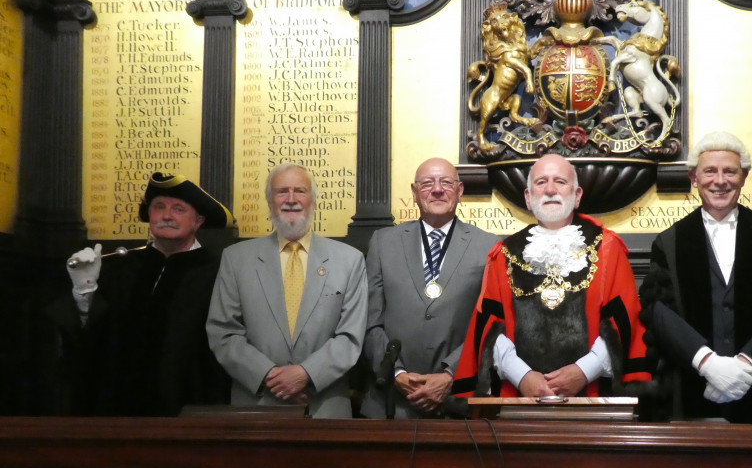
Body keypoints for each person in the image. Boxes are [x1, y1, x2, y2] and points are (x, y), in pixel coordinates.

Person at [452, 154, 650, 399]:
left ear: (577, 196)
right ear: (528, 197)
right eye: (541, 182)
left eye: (560, 182)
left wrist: (583, 372)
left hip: (593, 399)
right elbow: (489, 329)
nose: (550, 190)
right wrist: (522, 376)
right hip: (518, 400)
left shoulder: (608, 249)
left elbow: (624, 323)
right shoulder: (503, 255)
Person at [639, 131, 752, 423]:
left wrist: (748, 363)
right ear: (694, 178)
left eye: (730, 171)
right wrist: (707, 363)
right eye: (710, 171)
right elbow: (659, 310)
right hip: (691, 388)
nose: (720, 180)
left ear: (743, 177)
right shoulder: (670, 242)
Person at [48, 172, 234, 416]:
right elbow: (92, 341)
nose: (166, 216)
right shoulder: (122, 267)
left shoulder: (218, 272)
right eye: (158, 207)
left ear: (198, 221)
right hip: (117, 410)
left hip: (187, 409)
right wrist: (85, 290)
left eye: (179, 209)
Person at [206, 163, 367, 418]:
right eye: (282, 192)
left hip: (325, 408)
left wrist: (305, 374)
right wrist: (270, 376)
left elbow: (351, 337)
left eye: (299, 191)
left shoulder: (349, 260)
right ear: (269, 201)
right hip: (256, 406)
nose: (291, 200)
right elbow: (223, 332)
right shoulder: (236, 259)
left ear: (313, 200)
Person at [360, 158, 500, 418]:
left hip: (460, 404)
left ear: (459, 192)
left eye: (446, 182)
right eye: (427, 183)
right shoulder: (383, 243)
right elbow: (370, 321)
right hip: (391, 403)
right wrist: (397, 373)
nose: (437, 189)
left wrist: (450, 375)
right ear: (414, 193)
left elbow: (492, 323)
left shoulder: (489, 246)